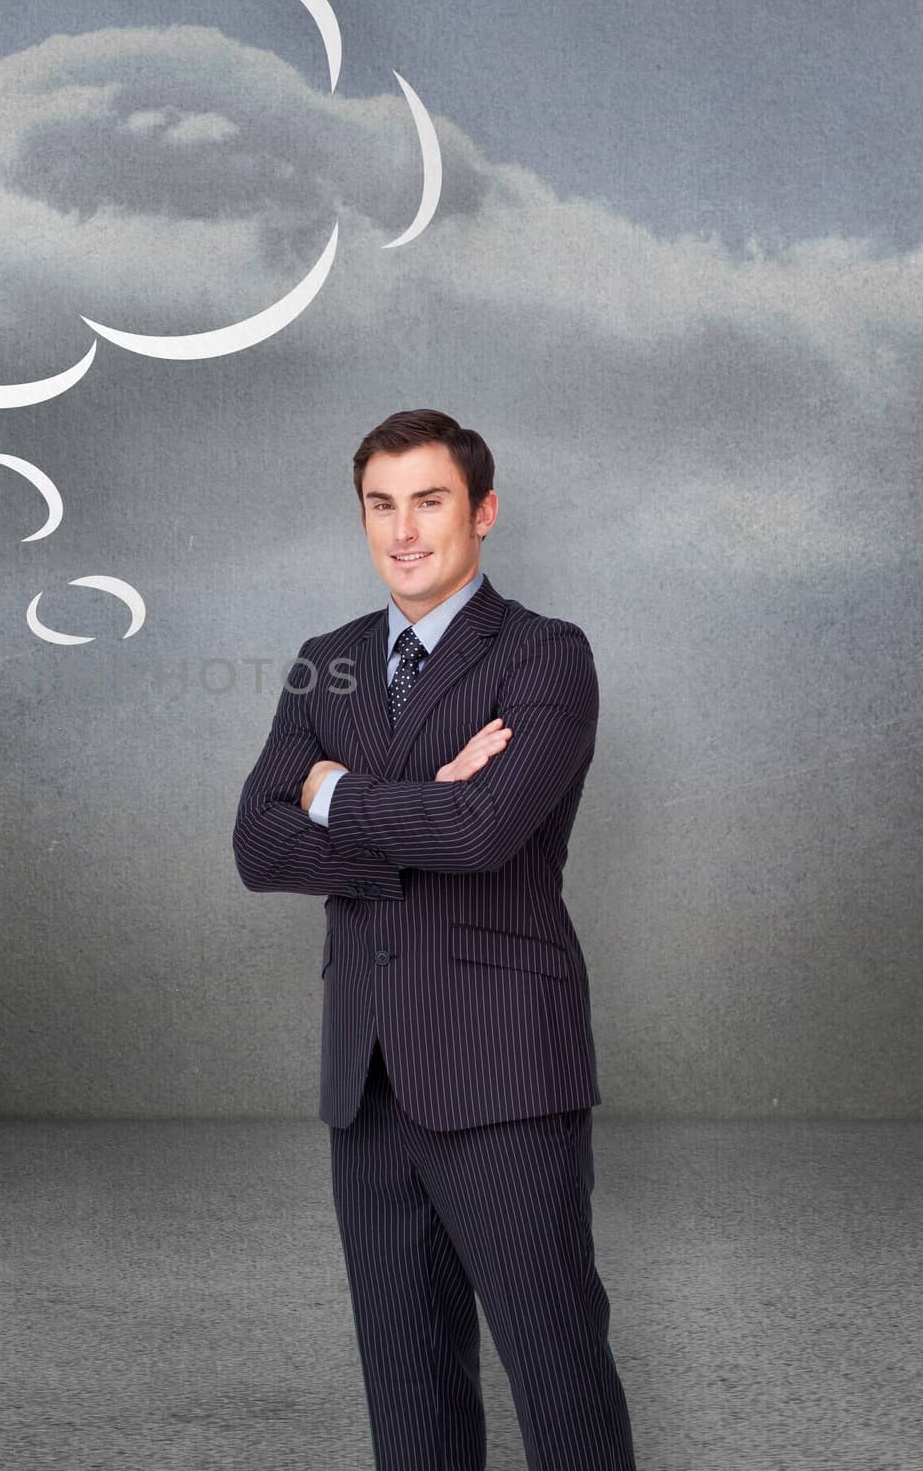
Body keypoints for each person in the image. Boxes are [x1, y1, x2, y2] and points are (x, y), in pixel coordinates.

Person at [232, 409, 638, 1470]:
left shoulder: (546, 656)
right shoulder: (325, 664)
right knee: (409, 1398)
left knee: (559, 1380)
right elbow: (256, 843)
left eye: (430, 500)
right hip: (365, 1083)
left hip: (503, 1070)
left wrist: (333, 790)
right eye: (381, 504)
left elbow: (484, 828)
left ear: (483, 511)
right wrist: (409, 805)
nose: (403, 529)